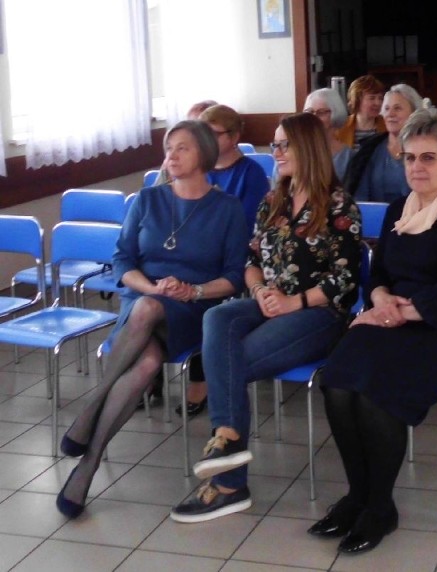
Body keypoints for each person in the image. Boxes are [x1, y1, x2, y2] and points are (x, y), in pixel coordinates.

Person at [308, 109, 437, 554]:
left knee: (379, 392)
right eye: (410, 158)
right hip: (397, 316)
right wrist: (379, 301)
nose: (417, 167)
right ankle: (357, 494)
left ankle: (380, 508)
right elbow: (378, 273)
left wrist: (403, 313)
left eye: (429, 158)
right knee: (338, 381)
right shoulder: (400, 208)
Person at [169, 113, 362, 523]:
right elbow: (250, 259)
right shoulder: (272, 201)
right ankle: (228, 443)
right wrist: (259, 291)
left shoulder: (340, 204)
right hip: (268, 301)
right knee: (218, 320)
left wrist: (294, 302)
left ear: (306, 149)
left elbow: (345, 278)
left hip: (319, 313)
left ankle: (228, 480)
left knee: (231, 360)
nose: (274, 153)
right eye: (273, 145)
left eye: (282, 146)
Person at [56, 120, 248, 519]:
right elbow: (122, 259)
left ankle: (91, 410)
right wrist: (150, 286)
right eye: (168, 147)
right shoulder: (147, 199)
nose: (171, 155)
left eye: (182, 148)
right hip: (144, 301)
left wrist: (190, 291)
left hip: (195, 310)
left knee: (148, 314)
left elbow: (232, 278)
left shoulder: (228, 208)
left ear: (204, 156)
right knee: (144, 360)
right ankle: (88, 466)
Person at [175, 104, 271, 417]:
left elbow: (244, 225)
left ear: (234, 137)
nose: (205, 140)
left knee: (206, 297)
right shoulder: (198, 169)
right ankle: (149, 372)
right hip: (194, 252)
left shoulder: (251, 173)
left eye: (213, 134)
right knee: (160, 283)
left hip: (232, 254)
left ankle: (200, 380)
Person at [345, 84, 423, 203]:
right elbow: (360, 199)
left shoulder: (426, 150)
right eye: (386, 109)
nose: (390, 114)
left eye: (397, 108)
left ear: (414, 113)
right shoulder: (370, 150)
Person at [304, 87, 354, 180]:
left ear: (335, 113)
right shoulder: (296, 152)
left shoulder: (349, 157)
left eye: (321, 112)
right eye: (309, 112)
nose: (314, 118)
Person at [335, 75, 387, 152]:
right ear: (357, 100)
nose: (378, 103)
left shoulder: (387, 126)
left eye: (380, 98)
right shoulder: (340, 127)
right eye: (372, 98)